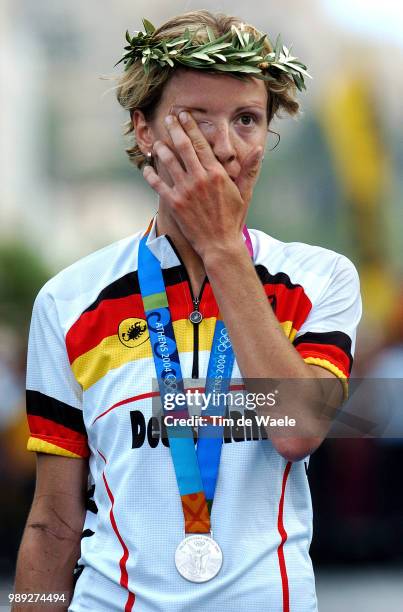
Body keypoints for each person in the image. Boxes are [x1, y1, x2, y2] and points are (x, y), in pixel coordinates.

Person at [13, 10, 362, 612]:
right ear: (143, 131)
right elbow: (53, 522)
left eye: (247, 120)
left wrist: (224, 249)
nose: (225, 148)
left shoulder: (319, 278)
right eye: (196, 121)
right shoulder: (69, 301)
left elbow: (298, 429)